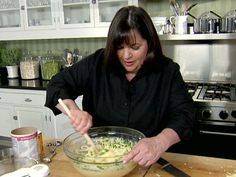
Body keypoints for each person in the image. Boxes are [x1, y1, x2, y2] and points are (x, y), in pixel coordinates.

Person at [45, 6, 195, 167]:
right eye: (119, 47)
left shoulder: (167, 71)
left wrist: (158, 143)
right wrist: (74, 111)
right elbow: (56, 85)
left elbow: (185, 115)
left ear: (149, 43)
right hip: (100, 159)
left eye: (135, 47)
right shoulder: (97, 63)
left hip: (149, 161)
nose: (126, 55)